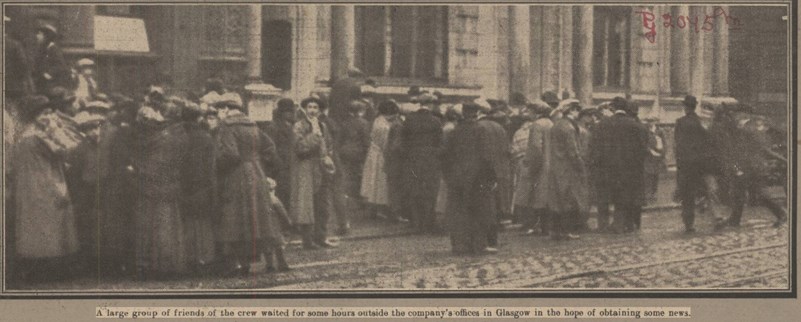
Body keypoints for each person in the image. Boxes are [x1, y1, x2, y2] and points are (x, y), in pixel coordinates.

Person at [9, 95, 81, 284]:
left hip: (29, 187)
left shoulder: (24, 135)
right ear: (35, 116)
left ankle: (37, 268)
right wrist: (57, 131)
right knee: (49, 227)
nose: (47, 117)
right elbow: (67, 151)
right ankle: (47, 270)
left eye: (49, 113)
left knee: (35, 227)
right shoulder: (38, 137)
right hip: (44, 185)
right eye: (43, 114)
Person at [213, 92, 280, 275]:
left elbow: (230, 154)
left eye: (220, 109)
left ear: (226, 109)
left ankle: (241, 264)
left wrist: (217, 164)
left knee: (237, 218)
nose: (219, 113)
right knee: (258, 217)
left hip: (237, 175)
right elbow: (270, 148)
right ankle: (266, 260)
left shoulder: (227, 126)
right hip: (256, 172)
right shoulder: (253, 124)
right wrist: (258, 161)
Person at [131, 98, 191, 280]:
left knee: (155, 227)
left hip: (155, 187)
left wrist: (138, 169)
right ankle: (168, 263)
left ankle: (157, 265)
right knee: (168, 226)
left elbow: (155, 164)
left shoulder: (163, 137)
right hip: (169, 186)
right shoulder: (176, 134)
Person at [441, 102, 510, 254]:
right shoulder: (480, 130)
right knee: (480, 211)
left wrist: (448, 175)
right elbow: (486, 156)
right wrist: (491, 177)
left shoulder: (454, 131)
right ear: (477, 114)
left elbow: (445, 155)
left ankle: (459, 245)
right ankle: (479, 245)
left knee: (458, 211)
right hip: (477, 177)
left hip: (457, 177)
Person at [710, 107, 787, 229]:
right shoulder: (737, 131)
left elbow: (762, 150)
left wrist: (783, 160)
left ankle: (781, 214)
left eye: (738, 116)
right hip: (744, 167)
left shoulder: (747, 131)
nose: (736, 118)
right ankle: (735, 219)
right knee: (738, 194)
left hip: (752, 168)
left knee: (759, 194)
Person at [590, 97, 648, 234]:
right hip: (627, 170)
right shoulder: (635, 126)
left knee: (604, 198)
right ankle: (619, 225)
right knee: (622, 198)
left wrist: (597, 165)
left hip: (606, 169)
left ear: (613, 108)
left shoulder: (602, 124)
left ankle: (602, 226)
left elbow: (595, 147)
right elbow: (642, 150)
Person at [290, 97, 338, 249]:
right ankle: (308, 240)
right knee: (307, 205)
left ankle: (321, 237)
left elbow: (329, 144)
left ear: (319, 110)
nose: (312, 110)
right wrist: (315, 136)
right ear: (305, 109)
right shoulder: (299, 126)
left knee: (323, 204)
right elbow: (300, 147)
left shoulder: (323, 126)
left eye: (315, 107)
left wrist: (328, 156)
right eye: (309, 107)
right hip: (306, 168)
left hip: (321, 169)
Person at [180, 101, 217, 273]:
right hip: (202, 184)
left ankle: (188, 258)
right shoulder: (206, 137)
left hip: (184, 184)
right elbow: (211, 165)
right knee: (203, 223)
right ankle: (204, 258)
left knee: (187, 222)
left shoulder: (178, 136)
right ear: (198, 118)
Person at [674, 95, 720, 233]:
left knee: (687, 195)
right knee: (708, 190)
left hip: (686, 164)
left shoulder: (680, 122)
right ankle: (716, 216)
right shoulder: (701, 122)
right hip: (701, 164)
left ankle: (689, 224)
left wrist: (679, 163)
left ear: (685, 107)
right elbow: (708, 142)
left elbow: (678, 144)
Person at [399, 93, 443, 233]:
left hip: (412, 160)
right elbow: (440, 143)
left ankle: (416, 222)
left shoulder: (409, 120)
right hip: (430, 161)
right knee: (429, 191)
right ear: (430, 104)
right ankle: (428, 222)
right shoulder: (436, 121)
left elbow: (403, 141)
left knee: (414, 190)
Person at [547, 100, 588, 240]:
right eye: (577, 110)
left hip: (556, 166)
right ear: (572, 110)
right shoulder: (569, 128)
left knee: (557, 199)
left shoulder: (556, 125)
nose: (578, 113)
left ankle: (555, 230)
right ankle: (566, 230)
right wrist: (581, 167)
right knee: (569, 199)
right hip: (568, 168)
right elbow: (573, 152)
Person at [517, 102, 553, 235]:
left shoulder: (537, 125)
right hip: (550, 163)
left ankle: (534, 226)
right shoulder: (550, 123)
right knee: (545, 197)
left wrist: (531, 166)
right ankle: (546, 226)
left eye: (530, 111)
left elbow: (536, 148)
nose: (528, 114)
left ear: (536, 112)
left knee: (534, 196)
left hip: (540, 165)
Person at [361, 100, 401, 219]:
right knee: (380, 182)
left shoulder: (377, 120)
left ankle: (373, 208)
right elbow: (385, 144)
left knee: (372, 182)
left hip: (373, 153)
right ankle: (381, 209)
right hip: (380, 154)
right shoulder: (384, 126)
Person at [336, 99, 371, 220]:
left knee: (348, 176)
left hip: (345, 152)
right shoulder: (364, 123)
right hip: (358, 153)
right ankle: (358, 201)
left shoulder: (345, 123)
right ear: (361, 111)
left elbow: (339, 140)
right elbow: (366, 141)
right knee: (359, 176)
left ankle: (348, 200)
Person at [262, 98, 296, 208]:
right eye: (287, 111)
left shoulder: (292, 126)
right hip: (278, 170)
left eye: (291, 111)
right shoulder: (273, 128)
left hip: (290, 168)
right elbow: (269, 149)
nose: (289, 114)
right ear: (281, 112)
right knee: (280, 199)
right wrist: (278, 165)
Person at [33, 24, 71, 94]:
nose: (37, 36)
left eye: (40, 34)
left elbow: (60, 66)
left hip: (52, 84)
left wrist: (48, 74)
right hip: (42, 82)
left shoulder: (53, 49)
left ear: (47, 36)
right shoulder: (42, 49)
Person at [643, 117, 666, 205]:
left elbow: (664, 143)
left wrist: (662, 153)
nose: (650, 123)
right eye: (649, 121)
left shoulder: (659, 131)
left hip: (657, 157)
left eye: (652, 121)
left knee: (655, 176)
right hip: (649, 157)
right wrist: (649, 150)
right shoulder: (645, 131)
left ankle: (654, 194)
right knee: (648, 176)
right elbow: (644, 143)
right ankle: (648, 195)